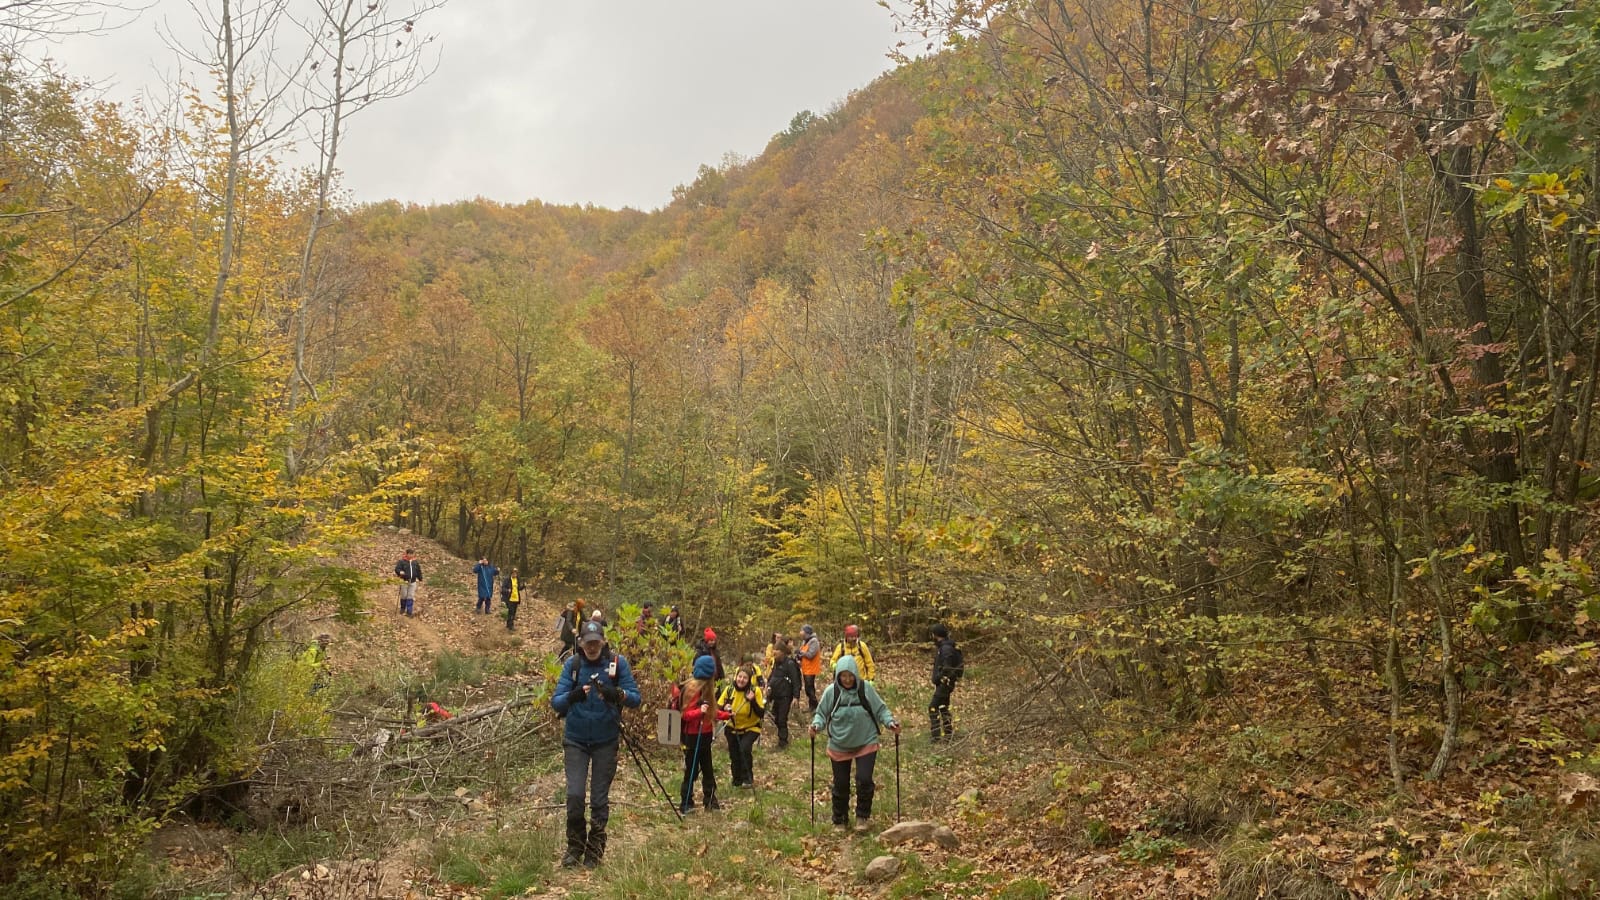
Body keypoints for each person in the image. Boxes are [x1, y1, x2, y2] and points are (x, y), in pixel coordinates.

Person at [550, 620, 642, 868]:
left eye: (595, 642)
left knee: (599, 799)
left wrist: (617, 694)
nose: (592, 647)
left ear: (602, 642)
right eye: (587, 642)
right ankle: (574, 847)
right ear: (580, 643)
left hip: (606, 740)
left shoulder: (616, 664)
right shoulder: (573, 665)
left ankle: (595, 850)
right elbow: (556, 702)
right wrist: (574, 695)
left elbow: (635, 698)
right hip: (576, 740)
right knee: (575, 795)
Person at [810, 655, 898, 830]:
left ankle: (862, 817)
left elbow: (880, 709)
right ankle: (840, 819)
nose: (847, 679)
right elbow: (821, 713)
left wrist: (890, 722)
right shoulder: (831, 692)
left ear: (856, 675)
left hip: (866, 740)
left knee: (864, 779)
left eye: (850, 675)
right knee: (841, 783)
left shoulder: (865, 689)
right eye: (843, 676)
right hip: (839, 743)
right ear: (838, 676)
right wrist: (816, 725)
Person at [672, 655, 728, 814]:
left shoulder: (707, 689)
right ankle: (686, 802)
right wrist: (699, 712)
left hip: (705, 735)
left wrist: (727, 716)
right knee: (691, 770)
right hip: (692, 736)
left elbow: (712, 712)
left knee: (708, 769)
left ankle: (710, 800)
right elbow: (684, 715)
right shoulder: (691, 689)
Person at [717, 665, 765, 788]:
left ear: (749, 680)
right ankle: (736, 779)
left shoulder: (755, 691)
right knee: (734, 753)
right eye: (740, 677)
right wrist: (725, 708)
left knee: (744, 749)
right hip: (732, 727)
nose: (741, 680)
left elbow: (761, 713)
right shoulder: (729, 689)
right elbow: (718, 707)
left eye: (745, 678)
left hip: (751, 727)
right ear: (736, 676)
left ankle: (747, 778)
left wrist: (752, 701)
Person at [764, 641, 802, 750]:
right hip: (776, 695)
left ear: (782, 652)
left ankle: (783, 742)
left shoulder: (790, 664)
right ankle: (782, 737)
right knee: (775, 717)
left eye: (776, 652)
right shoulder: (776, 663)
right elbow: (773, 676)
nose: (774, 654)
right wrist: (768, 686)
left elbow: (796, 681)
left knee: (782, 719)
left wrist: (796, 697)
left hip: (786, 696)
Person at [929, 624, 962, 742]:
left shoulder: (946, 649)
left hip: (945, 684)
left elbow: (947, 668)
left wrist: (939, 678)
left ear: (936, 635)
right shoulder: (945, 647)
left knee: (933, 707)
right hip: (945, 683)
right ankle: (948, 735)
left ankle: (936, 737)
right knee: (943, 708)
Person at [798, 624, 822, 710]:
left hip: (811, 669)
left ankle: (816, 707)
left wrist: (801, 653)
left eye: (802, 630)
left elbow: (811, 655)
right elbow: (802, 653)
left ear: (807, 632)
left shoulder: (814, 641)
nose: (800, 632)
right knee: (808, 689)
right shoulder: (805, 641)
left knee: (810, 689)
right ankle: (812, 707)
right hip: (806, 669)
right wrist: (799, 654)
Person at [393, 549, 422, 617]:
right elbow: (397, 569)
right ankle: (403, 608)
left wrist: (420, 578)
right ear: (406, 554)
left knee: (410, 596)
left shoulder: (415, 562)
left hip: (413, 581)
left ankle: (409, 611)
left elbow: (418, 570)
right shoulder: (402, 561)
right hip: (404, 581)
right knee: (404, 595)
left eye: (412, 554)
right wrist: (400, 572)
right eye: (410, 554)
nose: (411, 555)